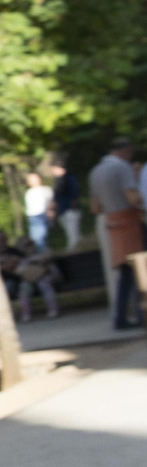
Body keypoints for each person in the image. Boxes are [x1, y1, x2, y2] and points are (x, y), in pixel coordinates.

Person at [88, 137, 146, 330]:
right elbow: (133, 198)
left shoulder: (95, 171)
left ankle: (121, 316)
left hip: (112, 224)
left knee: (126, 273)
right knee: (139, 269)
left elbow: (95, 207)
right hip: (130, 222)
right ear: (125, 151)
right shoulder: (122, 168)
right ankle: (140, 315)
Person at [13, 237, 61, 322]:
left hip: (48, 277)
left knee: (44, 284)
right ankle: (26, 313)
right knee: (24, 288)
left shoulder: (43, 251)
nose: (29, 248)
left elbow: (50, 258)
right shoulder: (24, 260)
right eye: (26, 246)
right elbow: (19, 272)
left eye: (30, 244)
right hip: (32, 281)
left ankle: (53, 309)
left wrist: (42, 260)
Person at [52, 160, 82, 250]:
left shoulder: (69, 179)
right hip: (63, 211)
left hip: (70, 210)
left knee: (74, 237)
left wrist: (73, 208)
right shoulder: (59, 181)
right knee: (71, 235)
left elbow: (74, 195)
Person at [23, 171, 55, 251]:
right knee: (36, 240)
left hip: (43, 216)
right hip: (33, 218)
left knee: (41, 239)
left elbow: (51, 203)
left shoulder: (46, 190)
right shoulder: (28, 193)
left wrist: (51, 213)